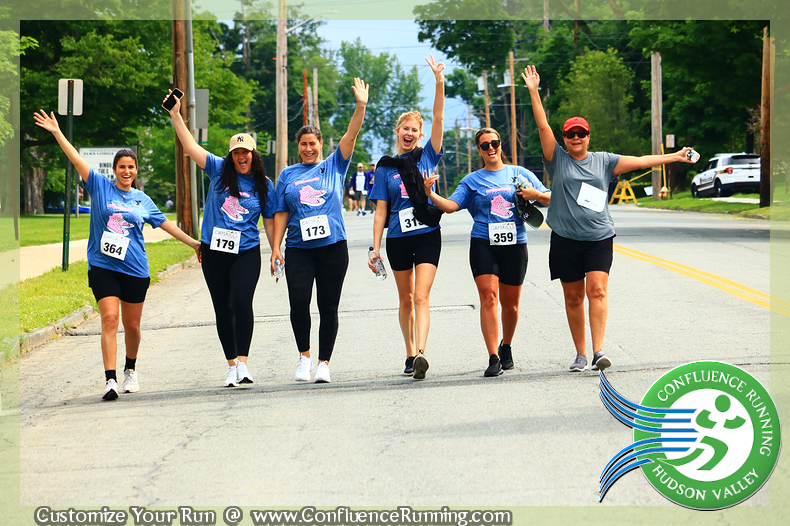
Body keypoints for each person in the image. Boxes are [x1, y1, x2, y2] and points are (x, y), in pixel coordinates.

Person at [521, 65, 695, 372]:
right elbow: (542, 127)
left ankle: (599, 350)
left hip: (598, 237)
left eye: (581, 133)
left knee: (597, 290)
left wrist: (675, 156)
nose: (576, 137)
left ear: (588, 136)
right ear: (565, 138)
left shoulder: (604, 161)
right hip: (564, 239)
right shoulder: (557, 159)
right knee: (574, 298)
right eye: (570, 134)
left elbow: (641, 160)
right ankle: (580, 354)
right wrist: (534, 91)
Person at [33, 110, 202, 400]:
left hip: (135, 268)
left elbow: (166, 225)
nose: (126, 171)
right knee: (110, 319)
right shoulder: (99, 186)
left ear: (136, 171)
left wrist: (195, 244)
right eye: (122, 167)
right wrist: (57, 133)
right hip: (103, 266)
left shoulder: (143, 200)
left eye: (131, 167)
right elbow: (75, 160)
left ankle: (130, 369)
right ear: (114, 170)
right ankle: (110, 379)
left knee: (132, 326)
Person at [165, 91, 276, 387]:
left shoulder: (264, 184)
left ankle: (243, 363)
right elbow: (190, 147)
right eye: (236, 153)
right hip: (215, 251)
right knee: (222, 307)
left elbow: (269, 219)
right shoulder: (217, 170)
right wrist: (176, 114)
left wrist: (276, 249)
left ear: (254, 155)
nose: (241, 157)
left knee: (242, 302)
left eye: (246, 152)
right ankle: (230, 365)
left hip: (247, 251)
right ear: (231, 156)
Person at [424, 127, 551, 377]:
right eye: (485, 145)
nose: (491, 148)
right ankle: (493, 356)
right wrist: (430, 194)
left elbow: (549, 198)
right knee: (489, 297)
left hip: (515, 245)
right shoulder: (472, 180)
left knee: (511, 306)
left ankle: (506, 346)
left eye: (495, 143)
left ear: (501, 145)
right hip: (484, 243)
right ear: (479, 150)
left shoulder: (519, 174)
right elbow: (451, 206)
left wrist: (534, 194)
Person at [271, 77, 369, 384]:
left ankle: (324, 362)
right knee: (299, 302)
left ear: (321, 144)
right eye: (303, 144)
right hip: (298, 249)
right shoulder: (287, 175)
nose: (309, 148)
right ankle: (304, 357)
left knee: (329, 306)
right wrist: (275, 248)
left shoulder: (334, 165)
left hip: (332, 248)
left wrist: (361, 105)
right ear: (298, 147)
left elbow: (351, 136)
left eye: (313, 143)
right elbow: (281, 212)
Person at [368, 55, 445, 380]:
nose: (410, 133)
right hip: (398, 238)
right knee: (405, 298)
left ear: (421, 133)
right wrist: (375, 248)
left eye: (415, 129)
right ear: (398, 132)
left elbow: (439, 117)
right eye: (405, 129)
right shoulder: (386, 167)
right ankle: (409, 352)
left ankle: (422, 354)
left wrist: (439, 82)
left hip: (427, 232)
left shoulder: (427, 155)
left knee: (421, 296)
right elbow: (381, 211)